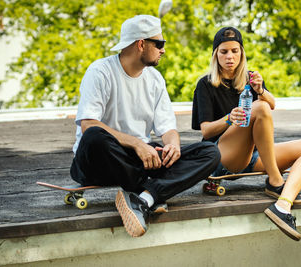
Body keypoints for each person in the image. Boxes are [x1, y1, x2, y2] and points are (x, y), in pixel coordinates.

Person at [70, 15, 220, 238]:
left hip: (140, 161)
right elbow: (88, 124)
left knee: (210, 152)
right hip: (100, 161)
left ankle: (144, 198)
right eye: (159, 44)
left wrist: (173, 147)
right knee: (94, 136)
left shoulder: (155, 79)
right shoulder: (100, 71)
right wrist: (137, 144)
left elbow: (168, 129)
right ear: (141, 44)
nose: (163, 50)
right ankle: (154, 190)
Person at [192, 26, 301, 241]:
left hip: (251, 157)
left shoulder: (250, 79)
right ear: (215, 54)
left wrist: (260, 90)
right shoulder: (206, 84)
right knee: (259, 108)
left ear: (242, 53)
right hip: (220, 156)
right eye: (224, 51)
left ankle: (282, 205)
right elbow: (205, 130)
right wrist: (229, 118)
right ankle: (275, 181)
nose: (230, 57)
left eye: (235, 51)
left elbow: (272, 104)